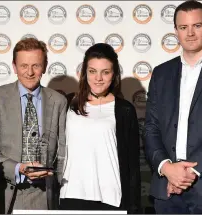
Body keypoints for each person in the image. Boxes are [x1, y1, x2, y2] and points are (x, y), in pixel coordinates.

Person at [144, 0, 202, 213]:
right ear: (176, 31)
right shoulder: (161, 73)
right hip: (166, 189)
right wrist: (166, 168)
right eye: (183, 27)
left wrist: (191, 173)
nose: (190, 33)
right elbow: (151, 128)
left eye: (197, 25)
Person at [0, 38, 67, 213]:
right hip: (8, 193)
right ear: (14, 67)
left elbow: (62, 151)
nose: (29, 72)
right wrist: (18, 169)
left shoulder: (58, 101)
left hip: (45, 195)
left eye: (36, 65)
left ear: (44, 66)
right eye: (23, 66)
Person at [59, 43, 141, 213]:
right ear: (84, 73)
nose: (98, 78)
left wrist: (134, 207)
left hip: (111, 198)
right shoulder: (68, 103)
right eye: (92, 71)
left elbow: (132, 165)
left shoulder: (125, 109)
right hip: (71, 194)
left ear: (114, 74)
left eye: (105, 72)